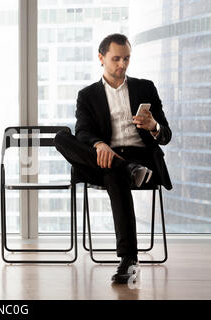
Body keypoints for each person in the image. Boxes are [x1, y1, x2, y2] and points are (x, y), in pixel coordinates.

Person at [54, 33, 172, 284]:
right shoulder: (87, 95)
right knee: (61, 138)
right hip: (105, 154)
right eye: (116, 58)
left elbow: (166, 135)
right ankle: (127, 168)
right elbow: (83, 131)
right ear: (101, 58)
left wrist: (154, 126)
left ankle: (128, 259)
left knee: (113, 172)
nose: (122, 64)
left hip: (142, 159)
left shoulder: (145, 87)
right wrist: (99, 144)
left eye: (126, 58)